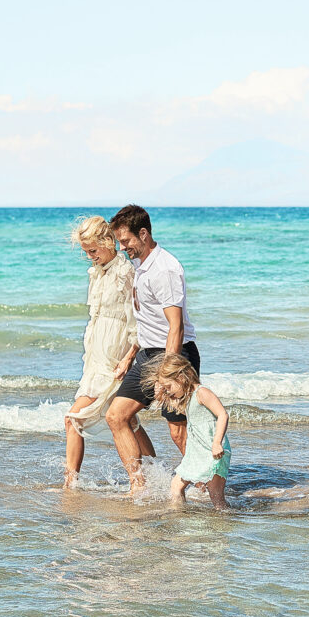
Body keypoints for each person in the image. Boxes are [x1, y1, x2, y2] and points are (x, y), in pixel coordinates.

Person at [104, 203, 200, 491]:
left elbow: (176, 326)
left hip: (175, 355)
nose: (123, 248)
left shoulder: (166, 269)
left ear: (143, 234)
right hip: (148, 354)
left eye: (126, 241)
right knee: (117, 415)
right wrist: (130, 355)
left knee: (178, 431)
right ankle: (140, 485)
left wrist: (167, 375)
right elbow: (146, 321)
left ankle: (208, 484)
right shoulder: (141, 264)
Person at [62, 215, 154, 488]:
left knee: (73, 418)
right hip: (96, 359)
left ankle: (71, 483)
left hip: (116, 358)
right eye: (85, 252)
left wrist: (128, 358)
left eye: (93, 250)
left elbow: (137, 320)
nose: (90, 257)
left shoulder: (126, 274)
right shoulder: (97, 273)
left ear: (108, 242)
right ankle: (153, 473)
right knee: (128, 420)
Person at [151, 353, 231, 509]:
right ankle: (179, 516)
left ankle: (227, 521)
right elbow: (174, 406)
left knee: (216, 497)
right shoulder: (186, 397)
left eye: (168, 387)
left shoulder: (202, 393)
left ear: (181, 378)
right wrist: (161, 394)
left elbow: (222, 414)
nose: (168, 391)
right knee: (176, 486)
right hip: (196, 453)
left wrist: (217, 443)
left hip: (212, 451)